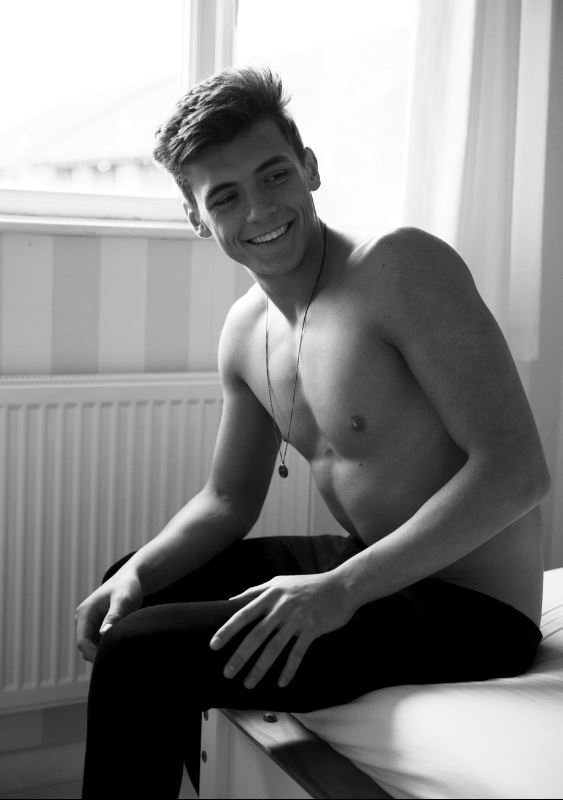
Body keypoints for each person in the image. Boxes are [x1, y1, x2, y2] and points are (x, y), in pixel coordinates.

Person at [75, 66, 550, 798]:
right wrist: (139, 572)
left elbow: (517, 471)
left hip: (470, 609)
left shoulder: (399, 267)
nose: (260, 209)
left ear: (310, 169)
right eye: (225, 196)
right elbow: (227, 500)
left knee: (144, 651)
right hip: (372, 563)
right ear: (198, 219)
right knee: (134, 591)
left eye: (274, 175)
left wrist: (339, 591)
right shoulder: (246, 330)